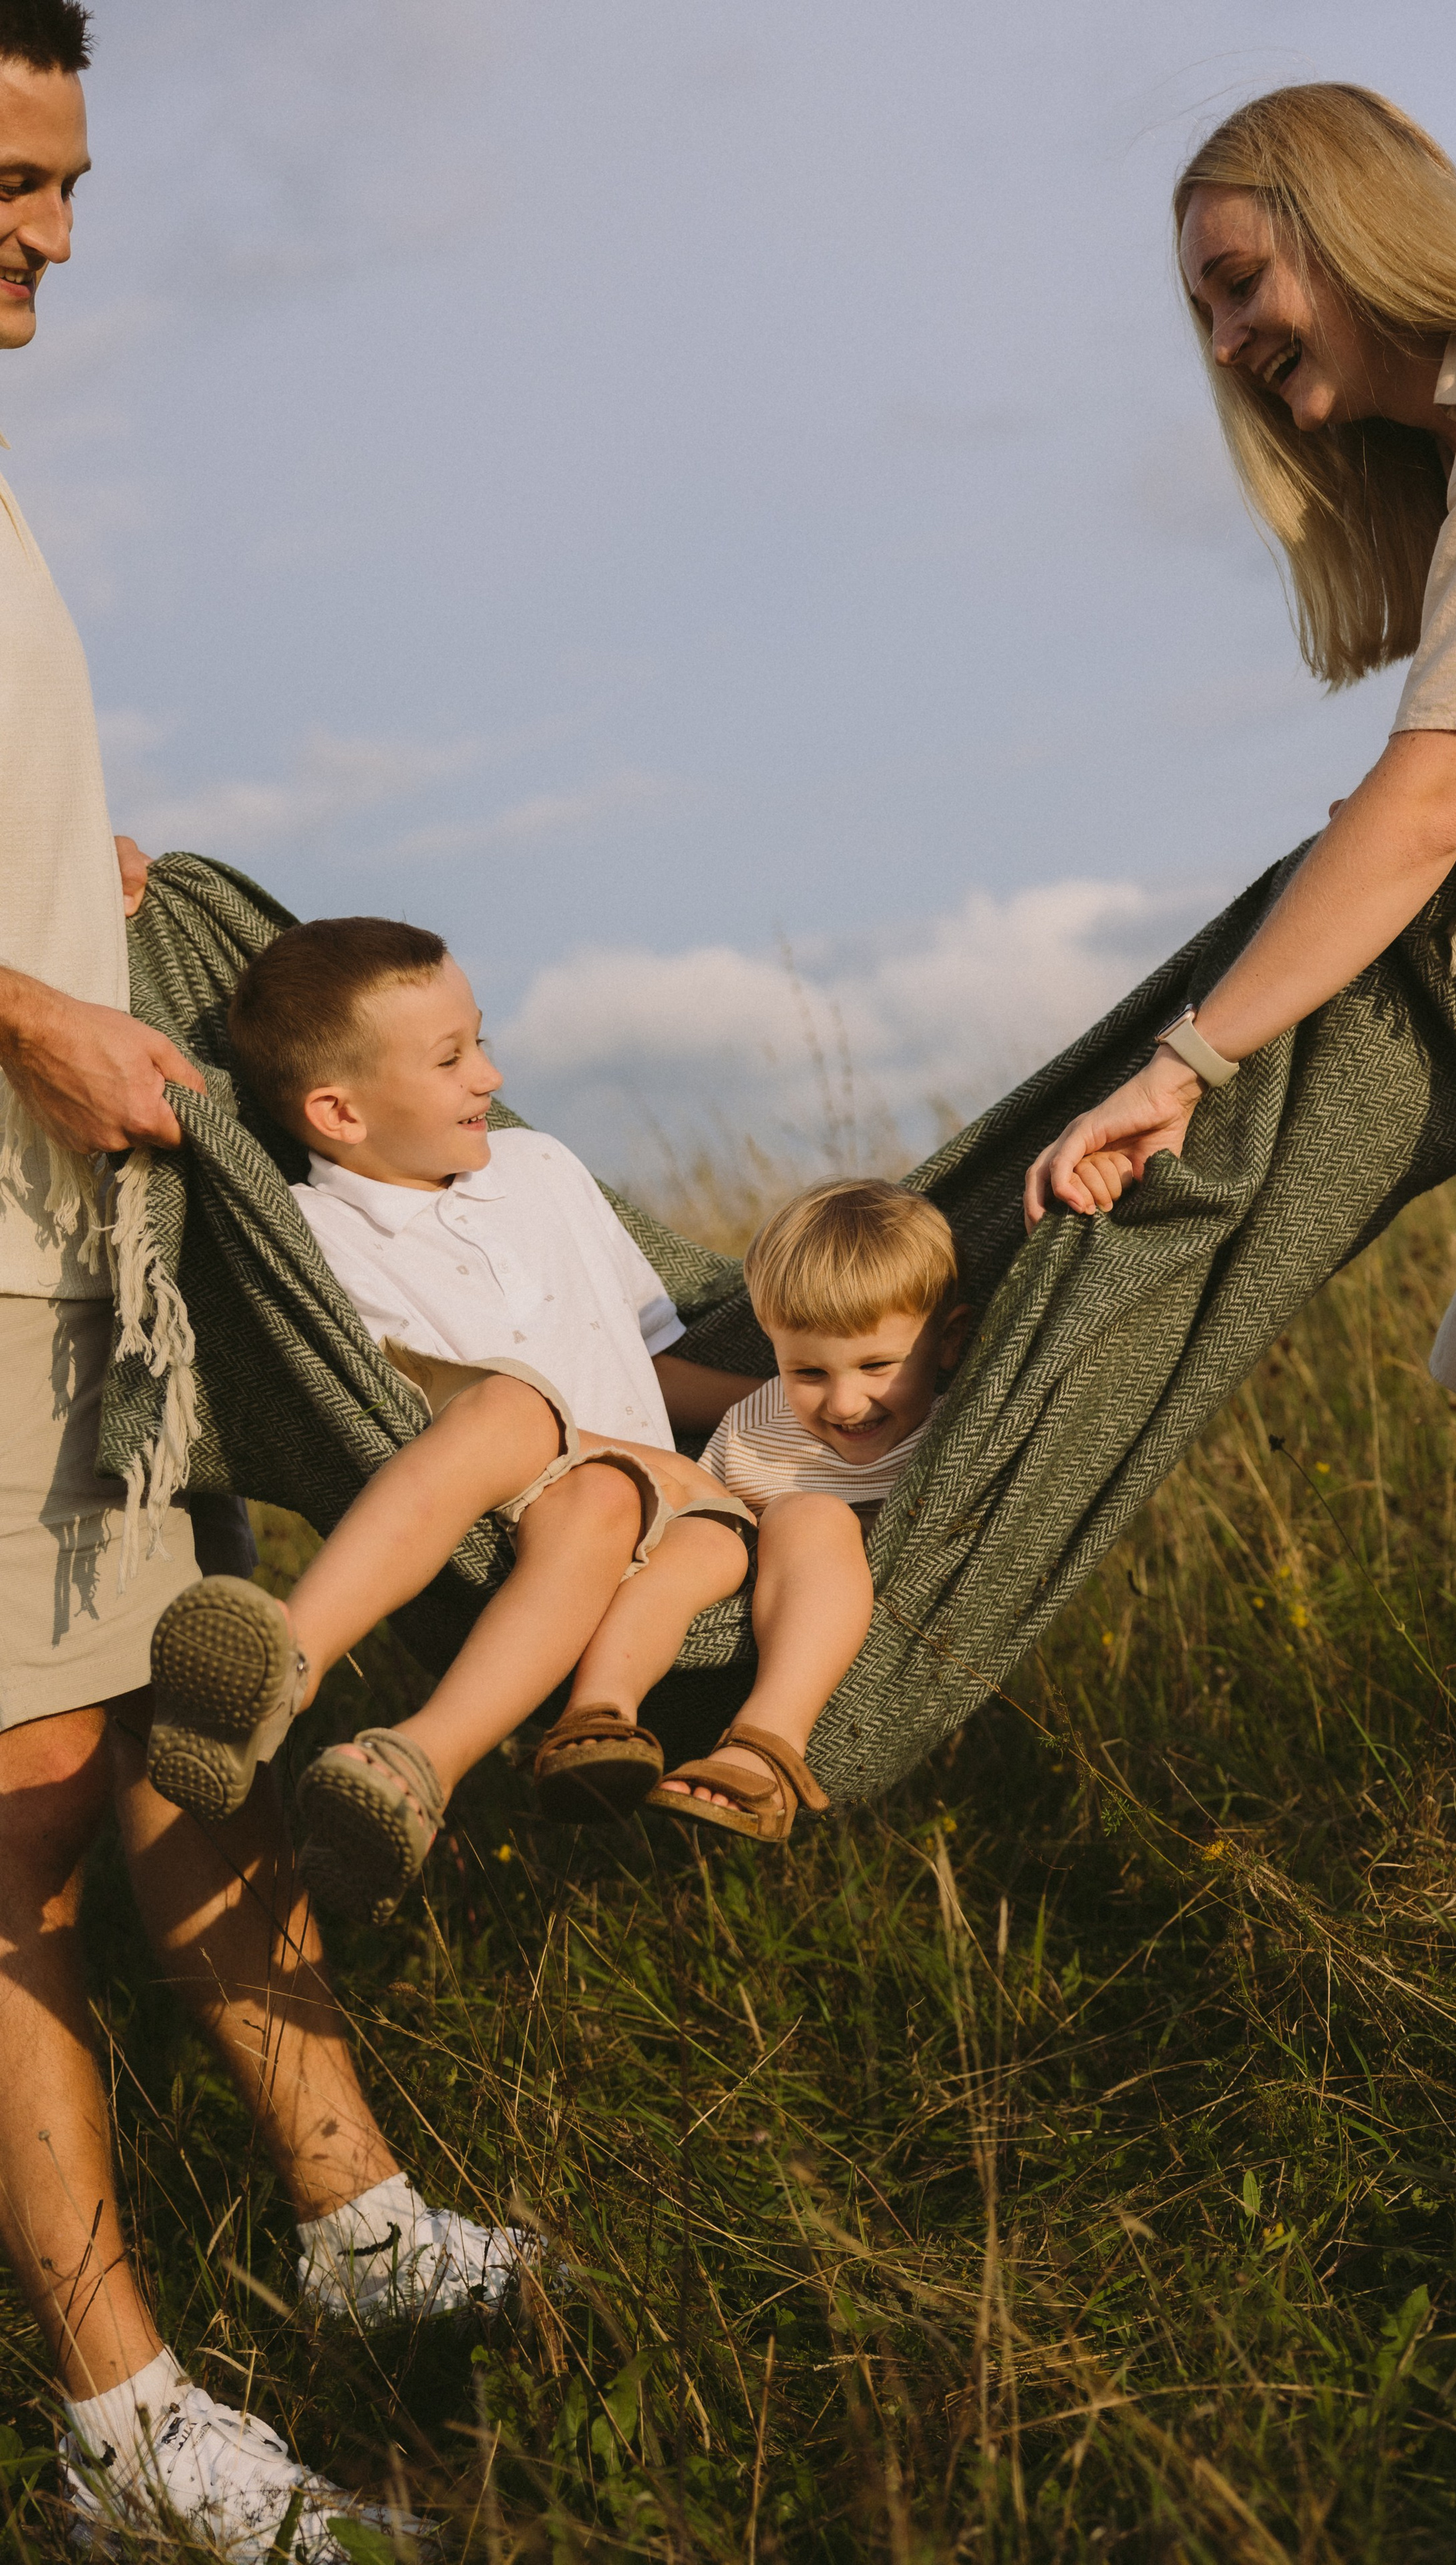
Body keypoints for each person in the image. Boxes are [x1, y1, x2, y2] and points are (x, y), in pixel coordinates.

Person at [0, 12, 518, 2554]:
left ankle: (360, 2233)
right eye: (13, 170)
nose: (54, 231)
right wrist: (19, 1005)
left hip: (76, 1273)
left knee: (169, 1750)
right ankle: (120, 2423)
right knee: (6, 1832)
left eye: (71, 180)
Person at [1024, 82, 1456, 1769]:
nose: (1227, 335)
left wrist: (1184, 1061)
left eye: (1241, 278)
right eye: (1200, 308)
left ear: (1353, 227)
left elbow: (1434, 789)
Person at [146, 916, 895, 1915]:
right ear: (338, 1112)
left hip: (679, 1520)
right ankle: (314, 1685)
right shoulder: (307, 1236)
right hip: (506, 1505)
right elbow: (401, 1408)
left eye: (482, 1040)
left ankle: (395, 1745)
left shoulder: (538, 1167)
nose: (490, 1078)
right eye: (452, 1058)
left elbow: (652, 1360)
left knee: (597, 1485)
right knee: (520, 1422)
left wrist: (812, 1407)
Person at [578, 1175, 970, 1833]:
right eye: (807, 1373)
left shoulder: (965, 1426)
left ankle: (766, 1743)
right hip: (745, 1587)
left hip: (837, 1599)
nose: (844, 1404)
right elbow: (706, 1520)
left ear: (949, 1342)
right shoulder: (754, 1424)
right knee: (696, 1544)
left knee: (809, 1513)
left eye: (877, 1367)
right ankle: (598, 1715)